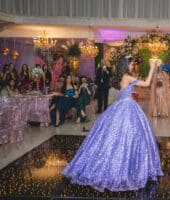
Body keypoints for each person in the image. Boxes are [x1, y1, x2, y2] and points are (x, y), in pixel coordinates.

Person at [62, 56, 163, 192]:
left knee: (115, 136)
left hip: (121, 105)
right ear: (126, 64)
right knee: (128, 137)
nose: (133, 65)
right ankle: (125, 168)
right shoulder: (127, 76)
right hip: (127, 107)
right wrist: (152, 67)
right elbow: (146, 83)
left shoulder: (122, 76)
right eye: (132, 63)